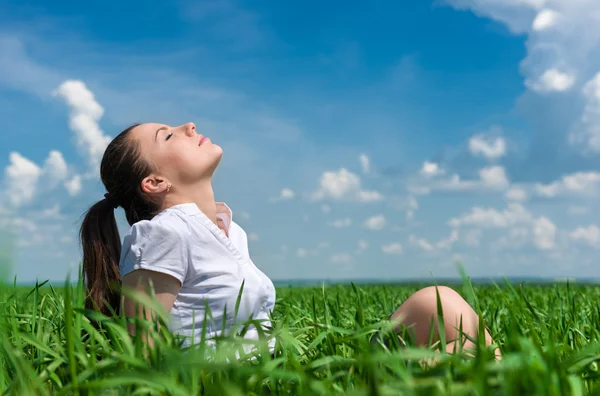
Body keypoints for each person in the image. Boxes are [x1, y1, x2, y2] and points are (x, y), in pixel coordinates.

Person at [79, 122, 501, 359]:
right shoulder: (162, 232)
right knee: (458, 358)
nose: (188, 125)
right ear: (155, 182)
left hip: (287, 367)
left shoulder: (229, 229)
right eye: (168, 136)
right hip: (240, 384)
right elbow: (143, 354)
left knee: (437, 302)